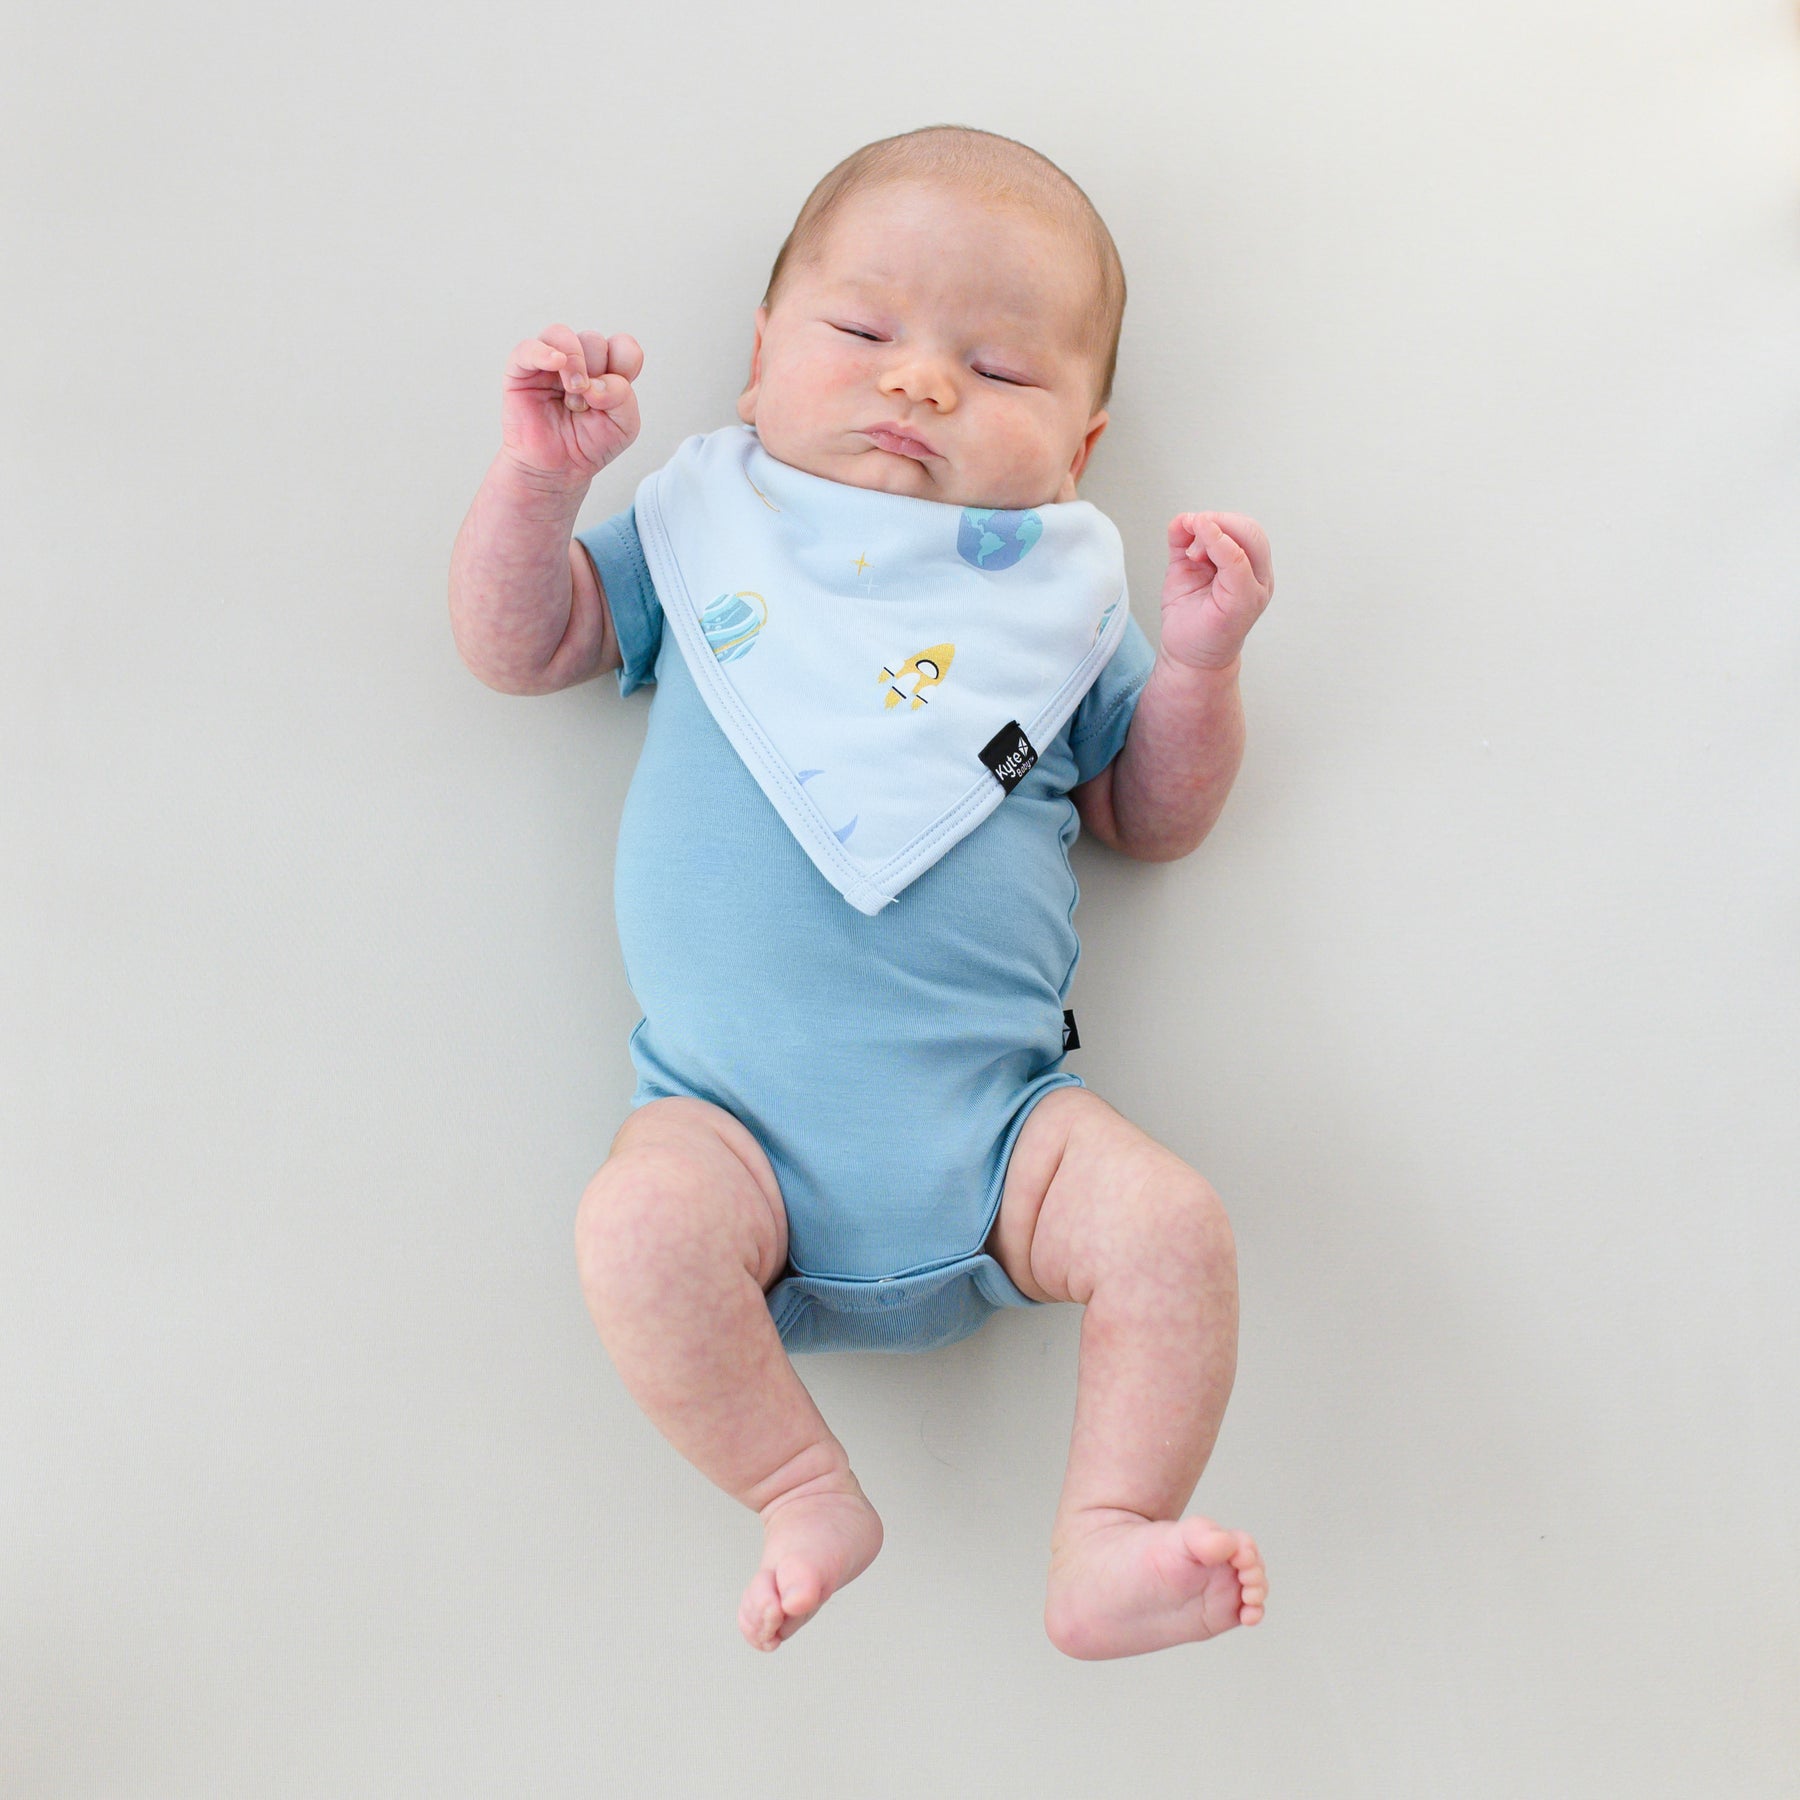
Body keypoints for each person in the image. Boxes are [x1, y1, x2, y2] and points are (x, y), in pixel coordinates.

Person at [448, 125, 1274, 1659]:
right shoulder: (713, 535)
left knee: (1174, 1229)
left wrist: (1204, 666)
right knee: (633, 1231)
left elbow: (1150, 819)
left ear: (1083, 447)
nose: (921, 383)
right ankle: (798, 1485)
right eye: (863, 332)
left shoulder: (1055, 604)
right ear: (758, 363)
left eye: (1002, 370)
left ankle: (1107, 1533)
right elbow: (524, 644)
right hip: (732, 1145)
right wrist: (537, 484)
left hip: (1004, 1147)